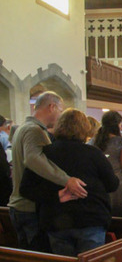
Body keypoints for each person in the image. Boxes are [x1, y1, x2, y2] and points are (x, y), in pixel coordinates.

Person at [20, 108, 119, 256]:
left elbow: (26, 189)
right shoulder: (93, 153)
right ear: (85, 128)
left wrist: (56, 195)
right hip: (90, 219)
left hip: (55, 221)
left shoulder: (45, 153)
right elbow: (112, 184)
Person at [9, 91, 87, 253]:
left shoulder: (23, 128)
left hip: (19, 205)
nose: (60, 116)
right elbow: (33, 159)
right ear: (51, 107)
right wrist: (66, 179)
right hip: (29, 206)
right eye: (60, 110)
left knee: (29, 257)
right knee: (38, 258)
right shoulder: (34, 130)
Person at [91, 111, 122, 218]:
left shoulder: (93, 141)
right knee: (120, 219)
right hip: (117, 186)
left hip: (98, 186)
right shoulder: (121, 143)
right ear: (118, 125)